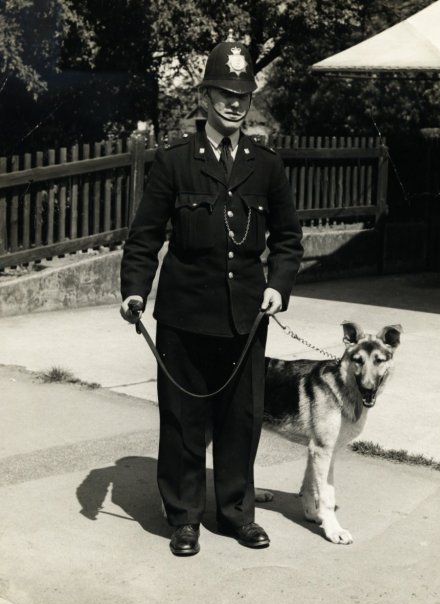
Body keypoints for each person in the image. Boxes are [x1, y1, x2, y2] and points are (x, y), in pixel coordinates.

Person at [120, 33, 303, 557]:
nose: (233, 103)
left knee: (241, 419)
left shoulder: (265, 164)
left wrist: (278, 286)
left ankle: (235, 513)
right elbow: (145, 236)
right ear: (205, 96)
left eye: (242, 94)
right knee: (183, 419)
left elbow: (288, 240)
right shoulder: (176, 161)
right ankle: (183, 517)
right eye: (224, 92)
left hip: (247, 316)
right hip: (183, 315)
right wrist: (134, 291)